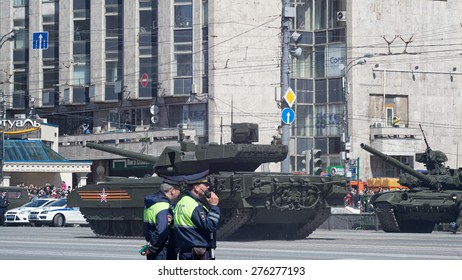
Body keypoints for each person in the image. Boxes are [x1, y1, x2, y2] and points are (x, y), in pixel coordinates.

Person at [173, 177, 220, 260]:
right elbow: (209, 227)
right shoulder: (194, 206)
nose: (208, 187)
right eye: (205, 185)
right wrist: (214, 206)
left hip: (186, 250)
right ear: (196, 187)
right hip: (197, 252)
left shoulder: (182, 201)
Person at [143, 182, 181, 260]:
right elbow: (162, 230)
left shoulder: (152, 203)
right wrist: (152, 247)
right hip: (163, 249)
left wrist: (151, 246)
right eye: (179, 190)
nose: (179, 193)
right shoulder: (164, 206)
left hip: (153, 245)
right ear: (172, 191)